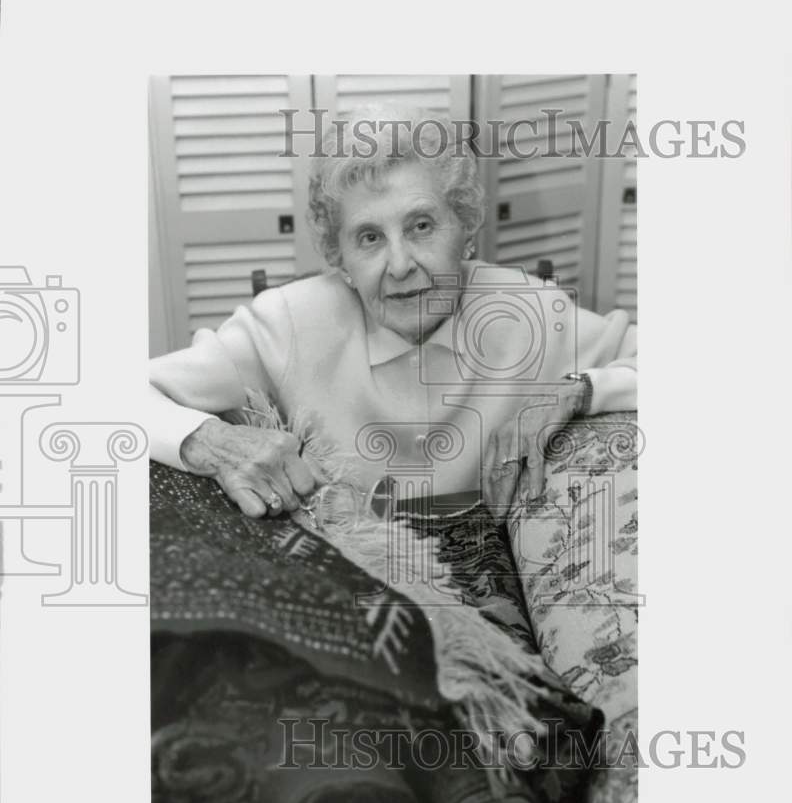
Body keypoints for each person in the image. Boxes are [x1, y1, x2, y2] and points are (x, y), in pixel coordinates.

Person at [149, 106, 636, 522]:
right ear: (338, 257)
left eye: (421, 226)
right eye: (369, 238)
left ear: (465, 229)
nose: (400, 265)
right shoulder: (287, 323)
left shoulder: (530, 312)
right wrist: (212, 442)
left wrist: (580, 391)